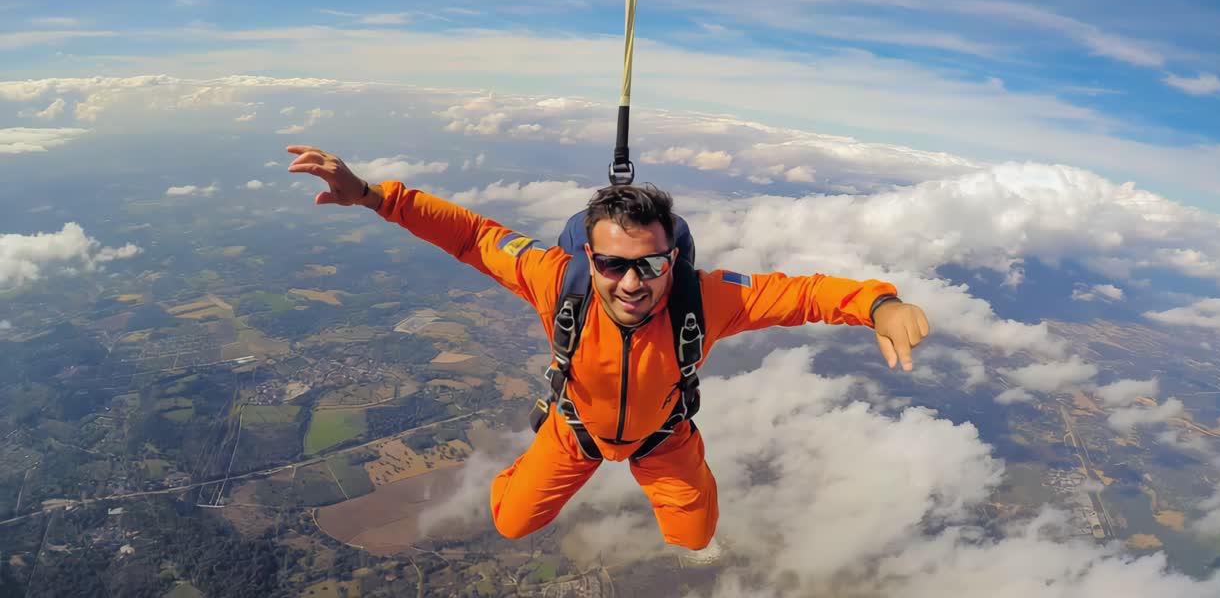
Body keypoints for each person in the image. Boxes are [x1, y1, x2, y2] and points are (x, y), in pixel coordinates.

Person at [286, 144, 931, 551]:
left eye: (651, 266)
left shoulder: (704, 299)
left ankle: (683, 481)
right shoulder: (556, 278)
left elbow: (804, 293)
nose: (632, 283)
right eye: (613, 266)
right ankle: (537, 456)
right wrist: (373, 197)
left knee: (694, 538)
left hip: (665, 441)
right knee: (512, 521)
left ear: (673, 261)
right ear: (586, 257)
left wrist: (878, 303)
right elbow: (474, 237)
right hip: (574, 433)